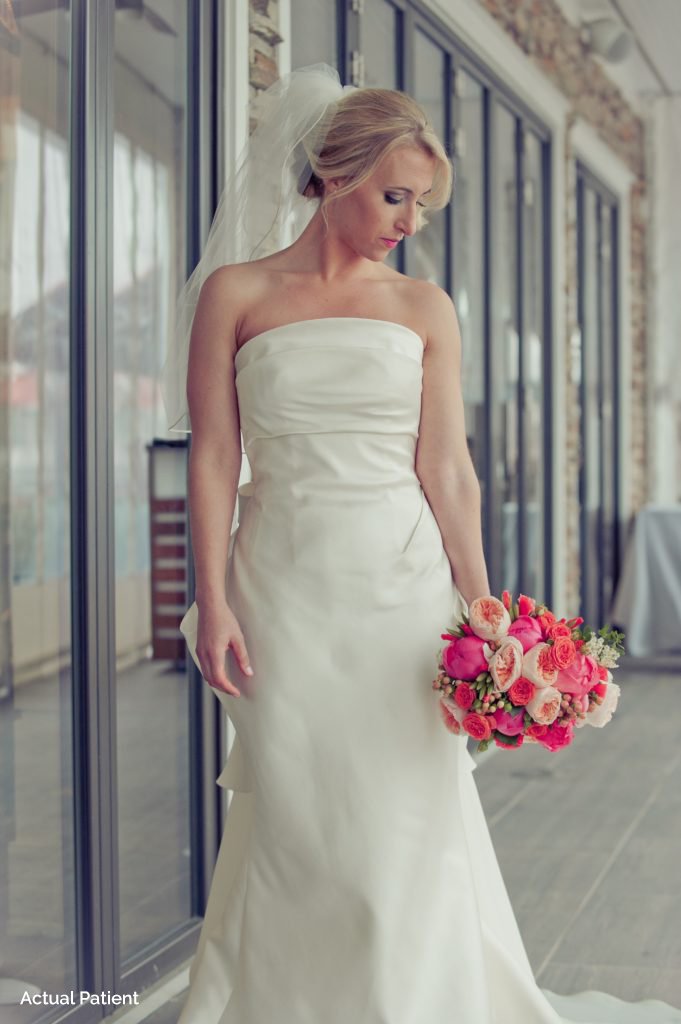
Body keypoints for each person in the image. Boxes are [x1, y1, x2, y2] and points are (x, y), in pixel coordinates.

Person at [165, 66, 681, 1024]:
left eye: (423, 202)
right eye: (394, 194)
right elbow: (212, 456)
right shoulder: (235, 294)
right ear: (332, 171)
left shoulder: (424, 308)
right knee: (296, 813)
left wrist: (486, 615)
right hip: (278, 590)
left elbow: (448, 470)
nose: (409, 219)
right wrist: (213, 600)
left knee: (402, 814)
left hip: (399, 595)